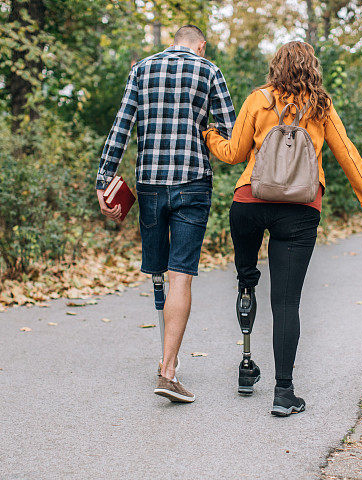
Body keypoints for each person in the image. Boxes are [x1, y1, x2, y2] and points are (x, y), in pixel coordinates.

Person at [204, 41, 362, 417]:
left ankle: (246, 363)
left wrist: (210, 133)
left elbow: (235, 154)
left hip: (249, 205)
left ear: (276, 66)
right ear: (312, 68)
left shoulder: (258, 99)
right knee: (286, 303)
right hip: (300, 211)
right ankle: (283, 393)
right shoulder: (321, 106)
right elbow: (347, 153)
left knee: (248, 279)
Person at [95, 25, 236, 403]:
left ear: (174, 41)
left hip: (151, 184)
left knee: (157, 270)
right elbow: (232, 131)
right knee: (182, 276)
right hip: (193, 182)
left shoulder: (141, 70)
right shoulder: (209, 71)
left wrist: (103, 179)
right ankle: (168, 369)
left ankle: (164, 356)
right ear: (200, 46)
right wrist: (205, 134)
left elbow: (121, 126)